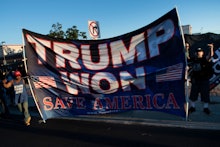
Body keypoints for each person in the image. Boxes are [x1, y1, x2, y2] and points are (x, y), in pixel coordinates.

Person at [188, 44, 214, 115]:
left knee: (205, 94)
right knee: (193, 94)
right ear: (195, 53)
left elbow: (210, 56)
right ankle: (192, 107)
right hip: (195, 80)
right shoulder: (193, 59)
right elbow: (186, 58)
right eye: (197, 52)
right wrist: (186, 49)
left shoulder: (205, 59)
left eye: (200, 51)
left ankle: (206, 108)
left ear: (202, 53)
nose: (198, 53)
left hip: (204, 79)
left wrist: (211, 48)